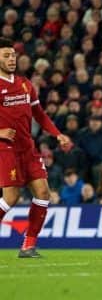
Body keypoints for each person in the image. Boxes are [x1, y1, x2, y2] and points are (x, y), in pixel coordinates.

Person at [0, 38, 70, 258]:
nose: (12, 59)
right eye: (6, 56)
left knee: (43, 193)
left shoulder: (24, 84)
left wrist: (57, 134)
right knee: (11, 198)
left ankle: (28, 245)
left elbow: (39, 115)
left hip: (28, 148)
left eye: (13, 55)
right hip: (6, 149)